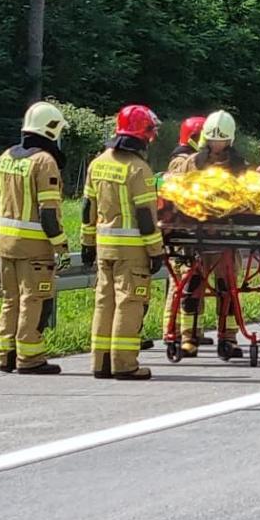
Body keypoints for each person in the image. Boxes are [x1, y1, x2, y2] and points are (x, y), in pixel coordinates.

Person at [82, 105, 167, 381]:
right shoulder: (138, 169)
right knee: (129, 303)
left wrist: (87, 243)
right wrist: (156, 251)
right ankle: (125, 364)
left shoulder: (98, 163)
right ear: (143, 134)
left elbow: (87, 208)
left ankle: (101, 362)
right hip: (132, 251)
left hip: (103, 247)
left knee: (104, 303)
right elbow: (145, 216)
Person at [0, 102, 70, 375]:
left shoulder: (6, 157)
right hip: (35, 247)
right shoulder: (44, 162)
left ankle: (6, 355)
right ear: (51, 129)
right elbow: (48, 215)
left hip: (5, 243)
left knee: (10, 299)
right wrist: (61, 245)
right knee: (34, 299)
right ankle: (30, 357)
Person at [172, 109, 250, 360]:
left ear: (230, 140)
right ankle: (188, 337)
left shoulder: (239, 166)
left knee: (227, 287)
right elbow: (175, 192)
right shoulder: (190, 162)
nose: (217, 146)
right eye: (213, 140)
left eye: (222, 140)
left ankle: (228, 338)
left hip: (226, 233)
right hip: (195, 235)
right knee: (191, 286)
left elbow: (247, 197)